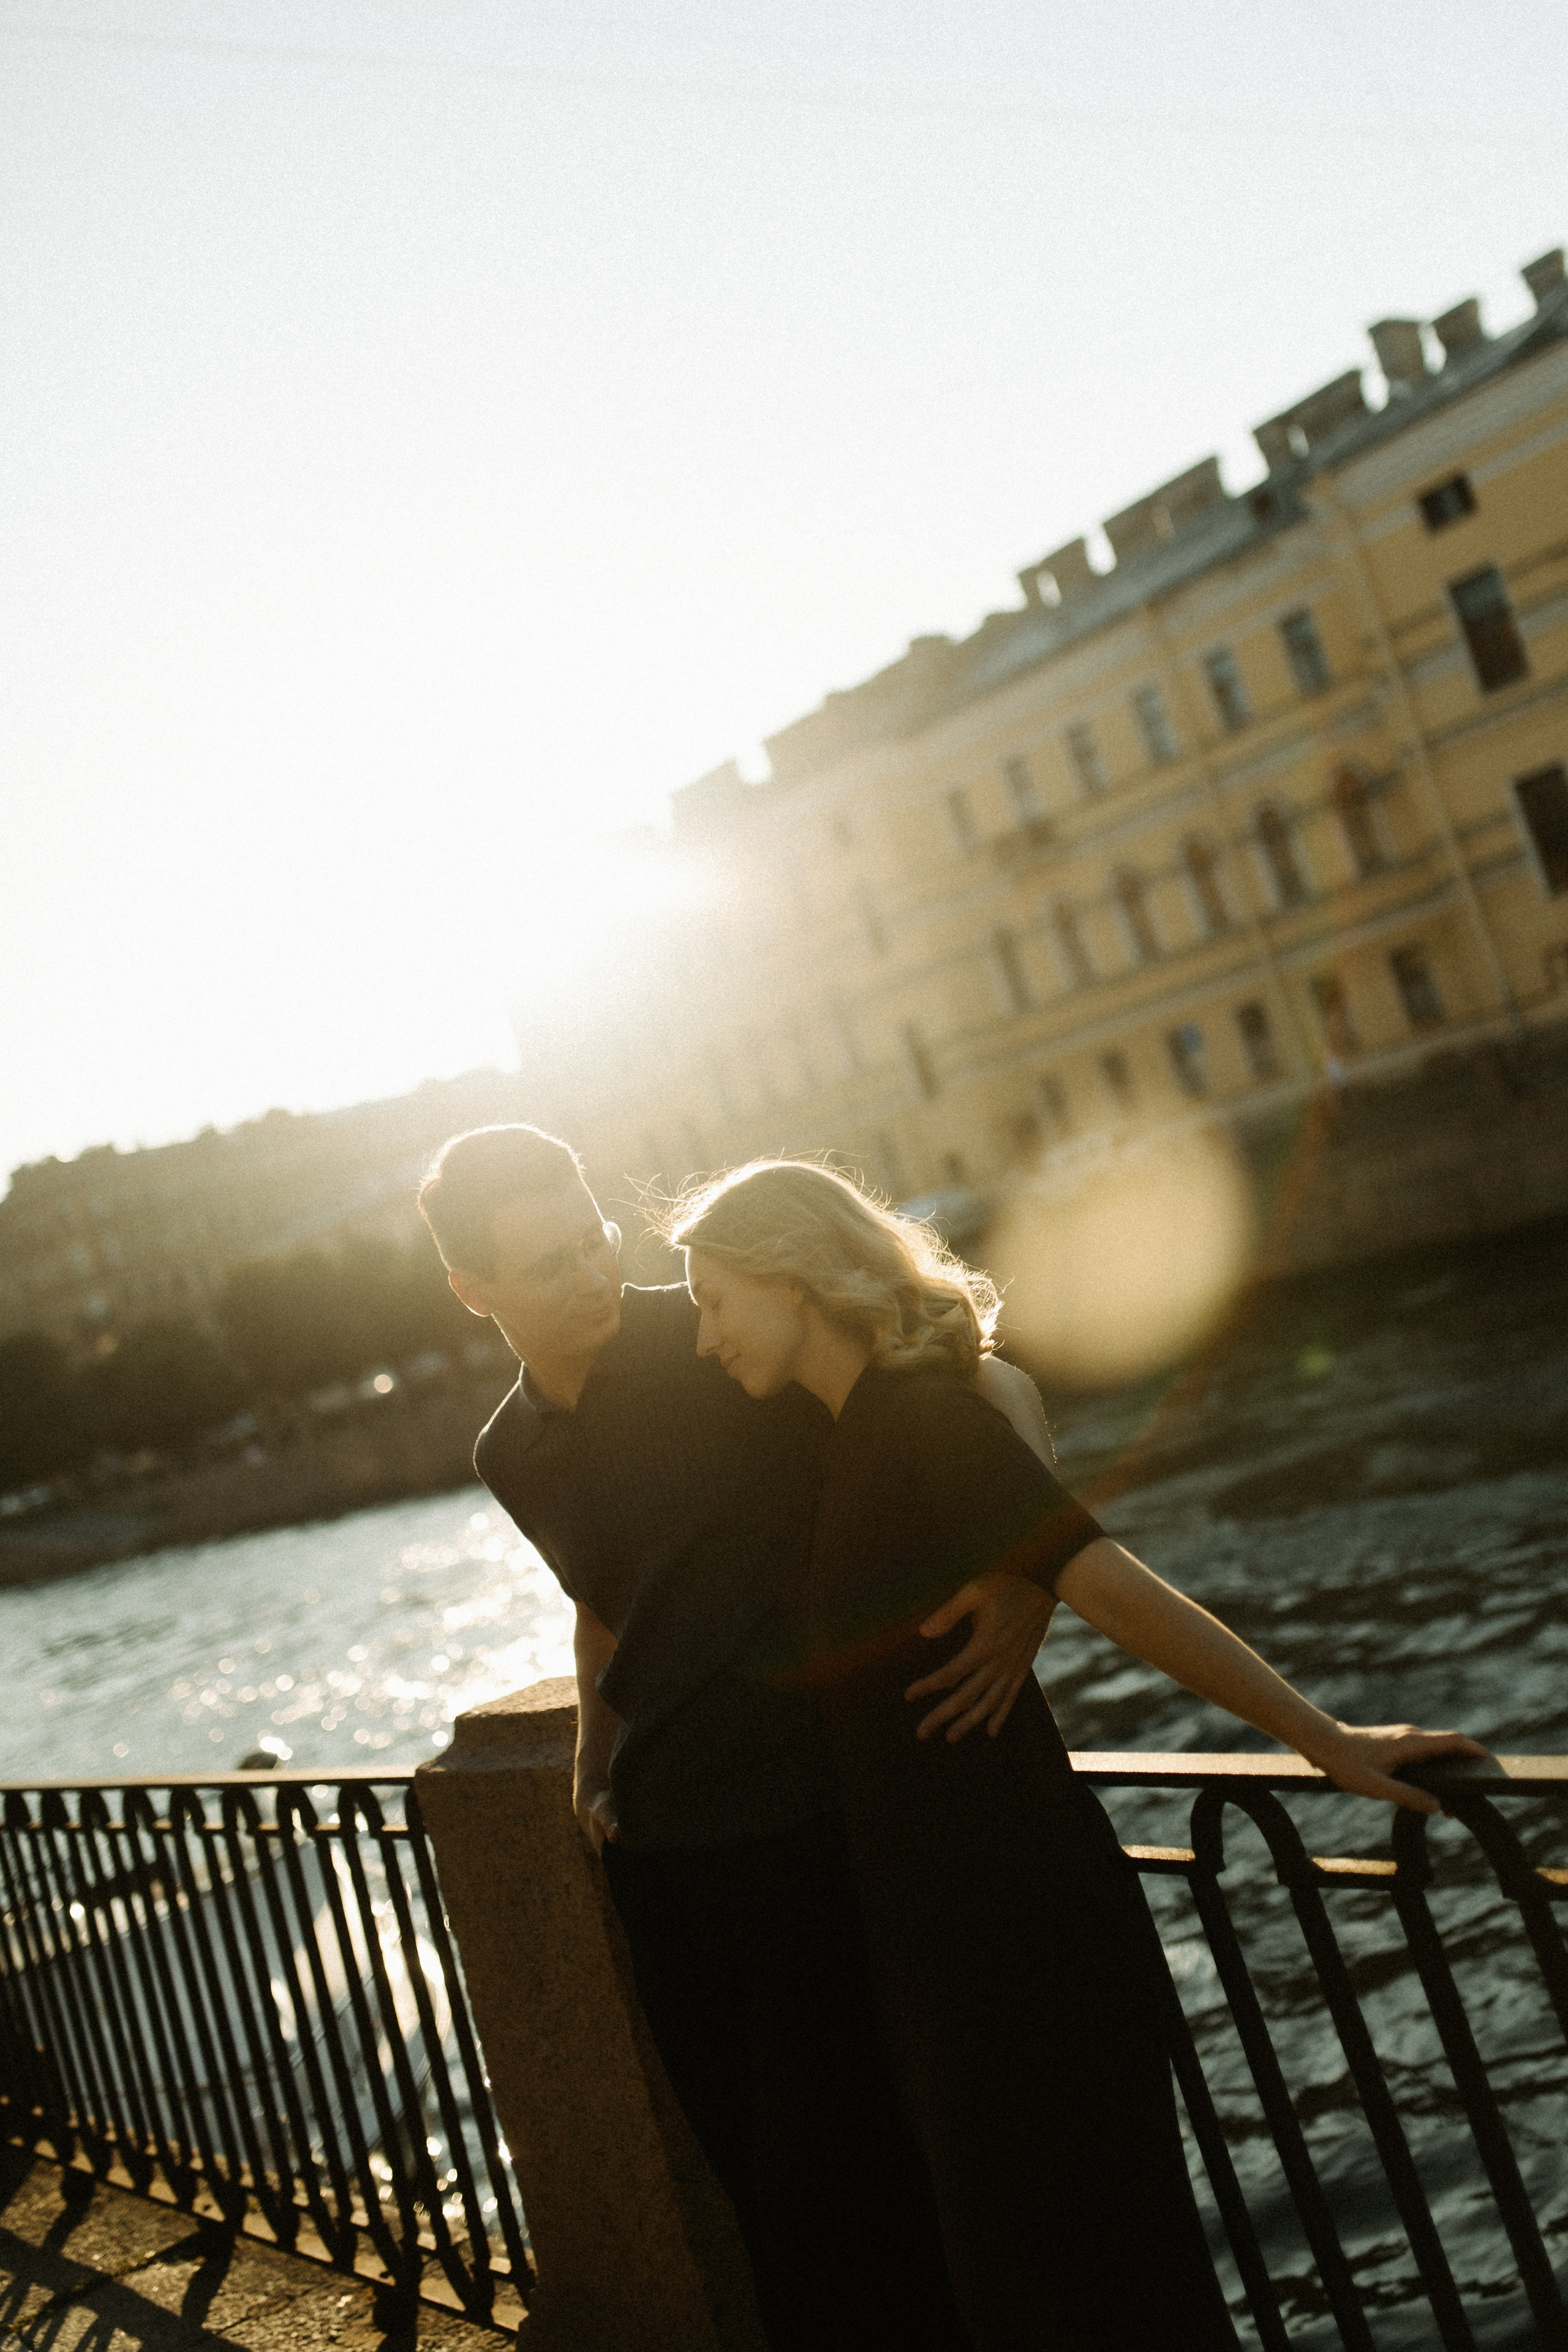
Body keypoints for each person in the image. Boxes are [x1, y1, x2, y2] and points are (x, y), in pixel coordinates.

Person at [669, 1158, 1486, 2352]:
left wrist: (1322, 1740)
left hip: (1016, 1935)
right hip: (941, 1942)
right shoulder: (849, 1437)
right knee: (1039, 2293)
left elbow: (1111, 1585)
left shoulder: (915, 1428)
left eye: (711, 1301)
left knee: (1093, 2292)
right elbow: (997, 1388)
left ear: (792, 1280)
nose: (700, 1338)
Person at [418, 1121, 1065, 2351]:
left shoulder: (721, 1328)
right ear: (472, 1292)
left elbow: (984, 1381)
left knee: (853, 2209)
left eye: (591, 1238)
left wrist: (1029, 1578)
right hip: (668, 1871)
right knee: (764, 2213)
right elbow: (606, 1610)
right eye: (547, 1263)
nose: (590, 1273)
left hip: (818, 1830)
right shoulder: (507, 1450)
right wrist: (592, 1766)